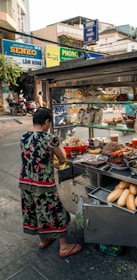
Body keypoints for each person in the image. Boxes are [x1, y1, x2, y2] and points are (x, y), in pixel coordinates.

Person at [18, 107, 81, 257]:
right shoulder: (50, 139)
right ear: (46, 122)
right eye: (49, 123)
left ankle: (43, 240)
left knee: (35, 210)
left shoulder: (23, 137)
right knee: (55, 211)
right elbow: (62, 159)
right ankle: (64, 247)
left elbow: (33, 157)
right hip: (44, 183)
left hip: (25, 182)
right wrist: (58, 164)